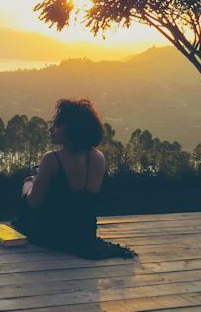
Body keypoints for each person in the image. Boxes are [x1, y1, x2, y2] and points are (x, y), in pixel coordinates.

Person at [13, 98, 135, 259]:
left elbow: (33, 202)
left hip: (51, 236)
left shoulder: (52, 159)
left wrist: (29, 183)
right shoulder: (99, 157)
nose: (51, 129)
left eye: (57, 125)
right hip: (84, 236)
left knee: (22, 210)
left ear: (71, 129)